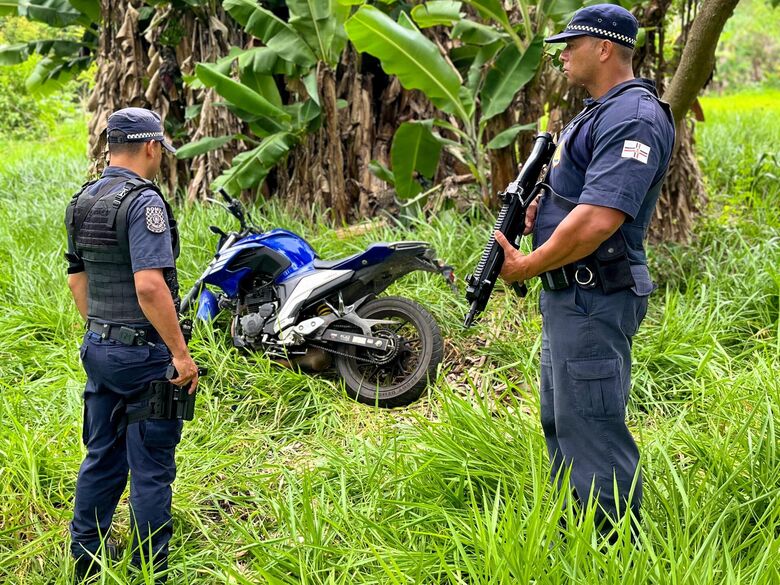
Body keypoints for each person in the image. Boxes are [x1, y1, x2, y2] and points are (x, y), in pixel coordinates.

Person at [494, 4, 675, 532]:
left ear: (603, 48)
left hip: (596, 295)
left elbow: (600, 218)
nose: (562, 54)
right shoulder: (599, 111)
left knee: (592, 427)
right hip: (570, 294)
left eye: (570, 44)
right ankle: (579, 538)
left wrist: (526, 265)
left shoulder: (634, 117)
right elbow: (579, 198)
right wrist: (542, 210)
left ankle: (613, 550)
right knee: (563, 421)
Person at [65, 107, 199, 581]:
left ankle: (84, 561)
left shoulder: (82, 199)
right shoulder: (144, 204)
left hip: (99, 350)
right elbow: (149, 286)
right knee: (151, 467)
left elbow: (76, 279)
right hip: (145, 358)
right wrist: (179, 355)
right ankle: (149, 568)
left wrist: (102, 331)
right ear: (150, 146)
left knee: (102, 455)